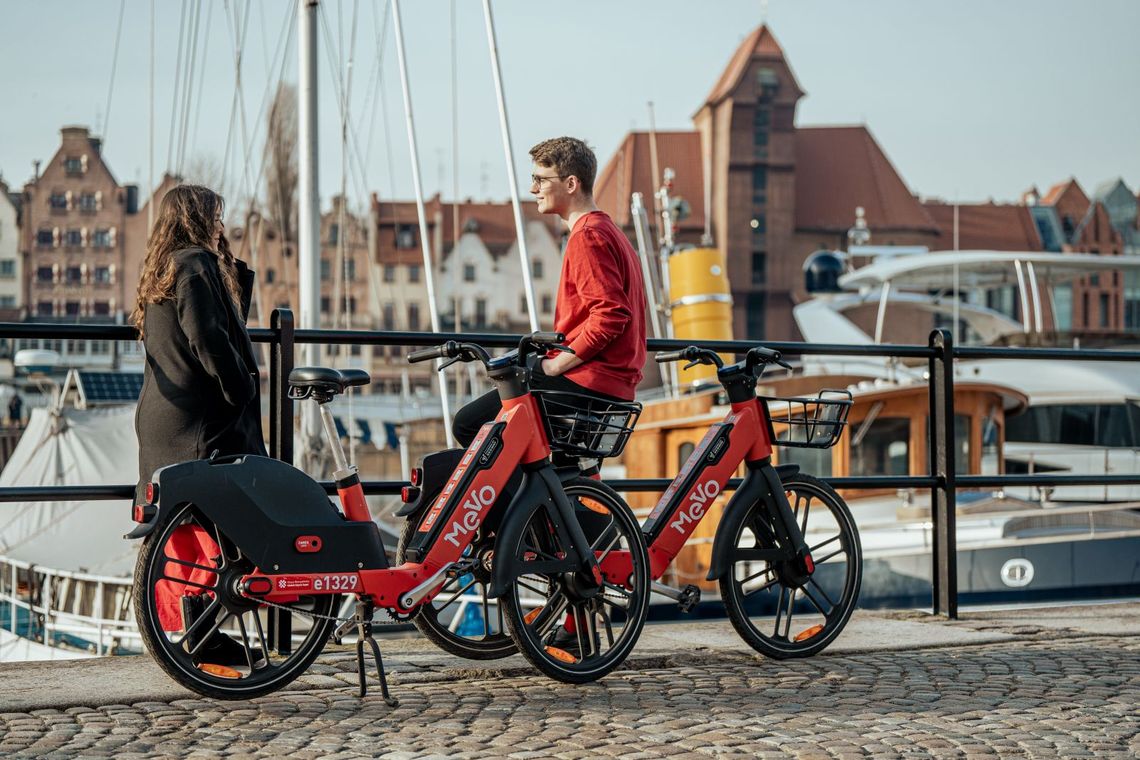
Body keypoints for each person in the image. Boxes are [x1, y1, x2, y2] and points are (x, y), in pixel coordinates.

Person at [131, 184, 264, 665]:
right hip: (202, 420)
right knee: (231, 518)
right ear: (197, 217)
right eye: (215, 216)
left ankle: (199, 629)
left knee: (187, 525)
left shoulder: (163, 269)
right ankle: (207, 629)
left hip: (164, 417)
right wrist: (242, 388)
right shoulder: (194, 264)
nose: (221, 225)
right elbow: (208, 337)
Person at [451, 136, 647, 451]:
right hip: (614, 383)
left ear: (571, 183)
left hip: (589, 380)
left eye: (541, 180)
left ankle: (523, 498)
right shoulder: (612, 233)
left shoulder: (587, 237)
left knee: (469, 423)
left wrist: (555, 365)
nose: (533, 189)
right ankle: (546, 495)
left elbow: (611, 316)